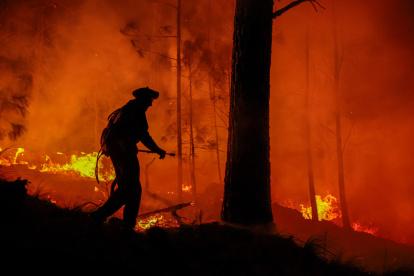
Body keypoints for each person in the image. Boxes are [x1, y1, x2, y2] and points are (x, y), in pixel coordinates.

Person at [90, 87, 166, 229]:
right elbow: (144, 136)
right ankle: (103, 218)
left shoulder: (127, 109)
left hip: (119, 153)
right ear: (143, 99)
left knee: (130, 189)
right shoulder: (135, 111)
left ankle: (120, 223)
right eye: (150, 100)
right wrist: (157, 150)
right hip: (124, 154)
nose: (151, 104)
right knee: (131, 190)